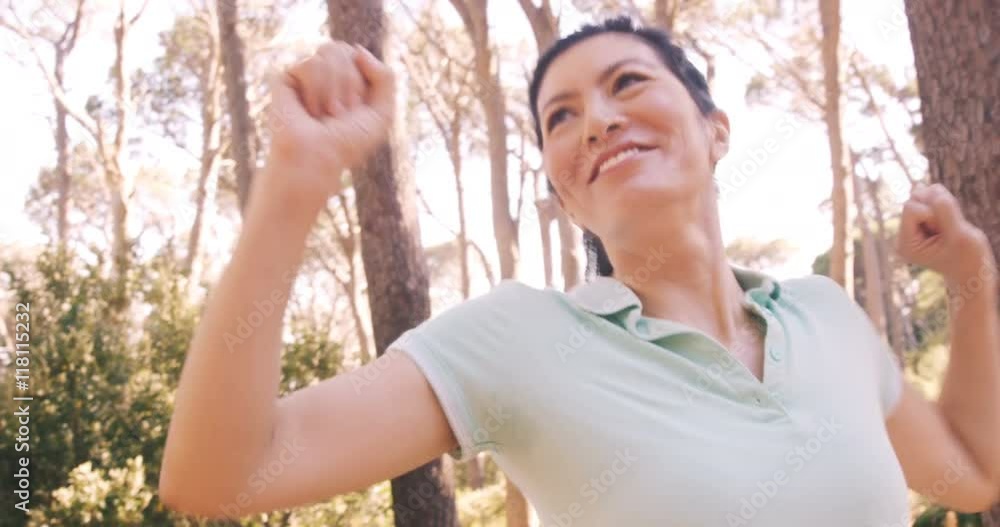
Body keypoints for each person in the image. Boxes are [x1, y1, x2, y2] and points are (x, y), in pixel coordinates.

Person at [159, 16, 1000, 525]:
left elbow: (967, 473)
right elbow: (217, 476)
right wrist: (297, 181)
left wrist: (971, 283)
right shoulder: (521, 339)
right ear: (565, 193)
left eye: (627, 82)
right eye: (561, 117)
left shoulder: (825, 313)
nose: (596, 120)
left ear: (715, 129)